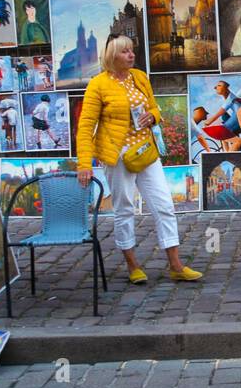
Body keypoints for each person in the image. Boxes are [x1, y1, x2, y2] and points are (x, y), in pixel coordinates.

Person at [76, 35, 202, 285]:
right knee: (124, 209)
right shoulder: (98, 84)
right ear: (112, 56)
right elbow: (86, 125)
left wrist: (153, 117)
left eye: (132, 51)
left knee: (164, 205)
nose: (131, 55)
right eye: (125, 52)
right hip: (118, 155)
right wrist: (84, 163)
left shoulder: (140, 77)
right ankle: (133, 265)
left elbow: (155, 108)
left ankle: (176, 265)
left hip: (145, 151)